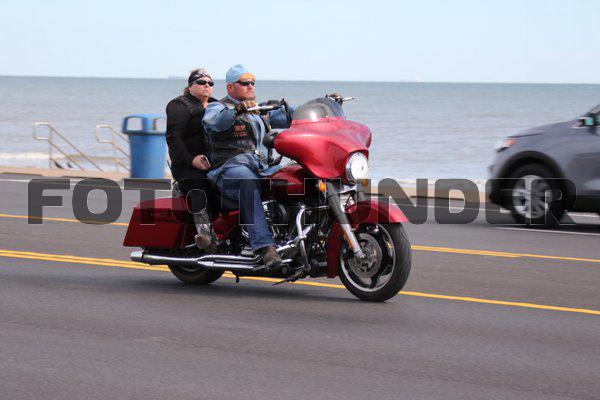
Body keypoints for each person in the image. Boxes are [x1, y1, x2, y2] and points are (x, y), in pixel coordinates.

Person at [202, 65, 293, 269]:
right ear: (230, 87)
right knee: (246, 180)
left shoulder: (258, 111)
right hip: (229, 171)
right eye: (245, 83)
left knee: (297, 175)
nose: (251, 86)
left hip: (262, 167)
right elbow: (216, 123)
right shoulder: (217, 108)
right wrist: (236, 111)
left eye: (252, 83)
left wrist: (325, 106)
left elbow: (291, 114)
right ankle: (264, 246)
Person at [165, 68, 217, 250]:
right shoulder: (180, 105)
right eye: (201, 82)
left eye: (210, 83)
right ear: (190, 86)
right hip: (188, 165)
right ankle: (205, 235)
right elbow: (174, 138)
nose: (206, 86)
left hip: (214, 162)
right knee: (199, 187)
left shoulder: (216, 105)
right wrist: (191, 160)